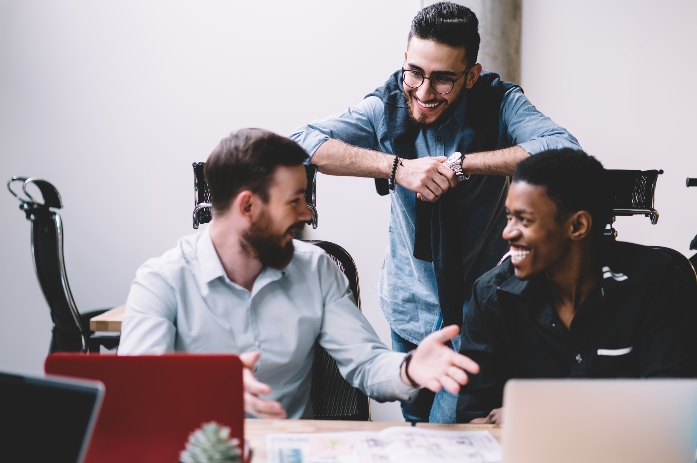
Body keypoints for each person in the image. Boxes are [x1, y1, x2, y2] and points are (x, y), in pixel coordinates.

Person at [290, 2, 580, 423]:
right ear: (404, 61)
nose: (424, 93)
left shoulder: (500, 103)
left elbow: (564, 151)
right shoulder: (386, 106)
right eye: (416, 73)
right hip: (407, 308)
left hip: (477, 317)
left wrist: (464, 165)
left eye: (444, 79)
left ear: (471, 75)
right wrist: (397, 168)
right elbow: (300, 143)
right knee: (415, 432)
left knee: (445, 435)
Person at [118, 128, 479, 420]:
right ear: (247, 206)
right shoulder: (162, 280)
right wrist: (211, 387)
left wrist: (410, 368)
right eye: (294, 200)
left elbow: (366, 363)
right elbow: (133, 393)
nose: (307, 214)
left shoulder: (317, 269)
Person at [456, 148, 697, 424]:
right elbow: (474, 416)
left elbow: (674, 409)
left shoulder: (655, 281)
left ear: (578, 226)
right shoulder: (492, 294)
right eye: (509, 217)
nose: (508, 232)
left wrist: (542, 414)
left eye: (524, 220)